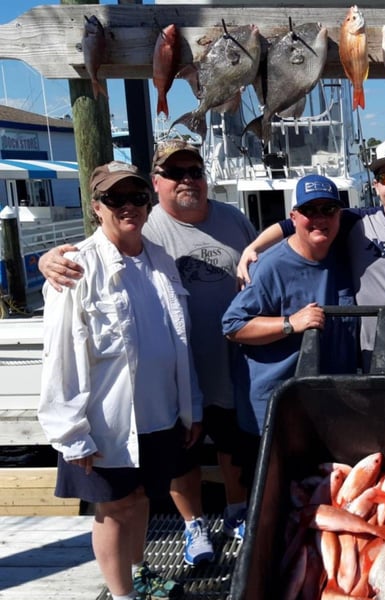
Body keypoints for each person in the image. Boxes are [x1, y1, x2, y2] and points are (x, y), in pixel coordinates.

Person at [38, 139, 257, 566]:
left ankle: (235, 514)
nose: (187, 180)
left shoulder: (229, 222)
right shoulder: (136, 233)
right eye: (175, 174)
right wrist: (49, 263)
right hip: (138, 398)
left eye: (195, 170)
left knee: (229, 448)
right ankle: (193, 527)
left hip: (216, 369)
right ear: (159, 182)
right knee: (166, 476)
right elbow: (63, 337)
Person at [38, 161, 202, 600]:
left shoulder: (160, 258)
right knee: (114, 509)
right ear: (96, 206)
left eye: (136, 197)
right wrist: (71, 435)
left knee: (144, 499)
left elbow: (178, 345)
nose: (128, 206)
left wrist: (191, 408)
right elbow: (60, 357)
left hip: (161, 415)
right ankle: (122, 595)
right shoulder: (75, 266)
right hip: (108, 425)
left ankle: (138, 572)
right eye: (115, 198)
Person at [237, 136, 385, 373]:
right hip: (372, 368)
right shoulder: (357, 222)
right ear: (376, 186)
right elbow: (293, 224)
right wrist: (253, 248)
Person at [222, 174, 358, 440]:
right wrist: (289, 323)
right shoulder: (270, 266)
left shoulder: (342, 254)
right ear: (293, 217)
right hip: (277, 409)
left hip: (331, 405)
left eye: (328, 209)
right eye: (309, 210)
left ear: (339, 214)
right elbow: (232, 326)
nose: (320, 218)